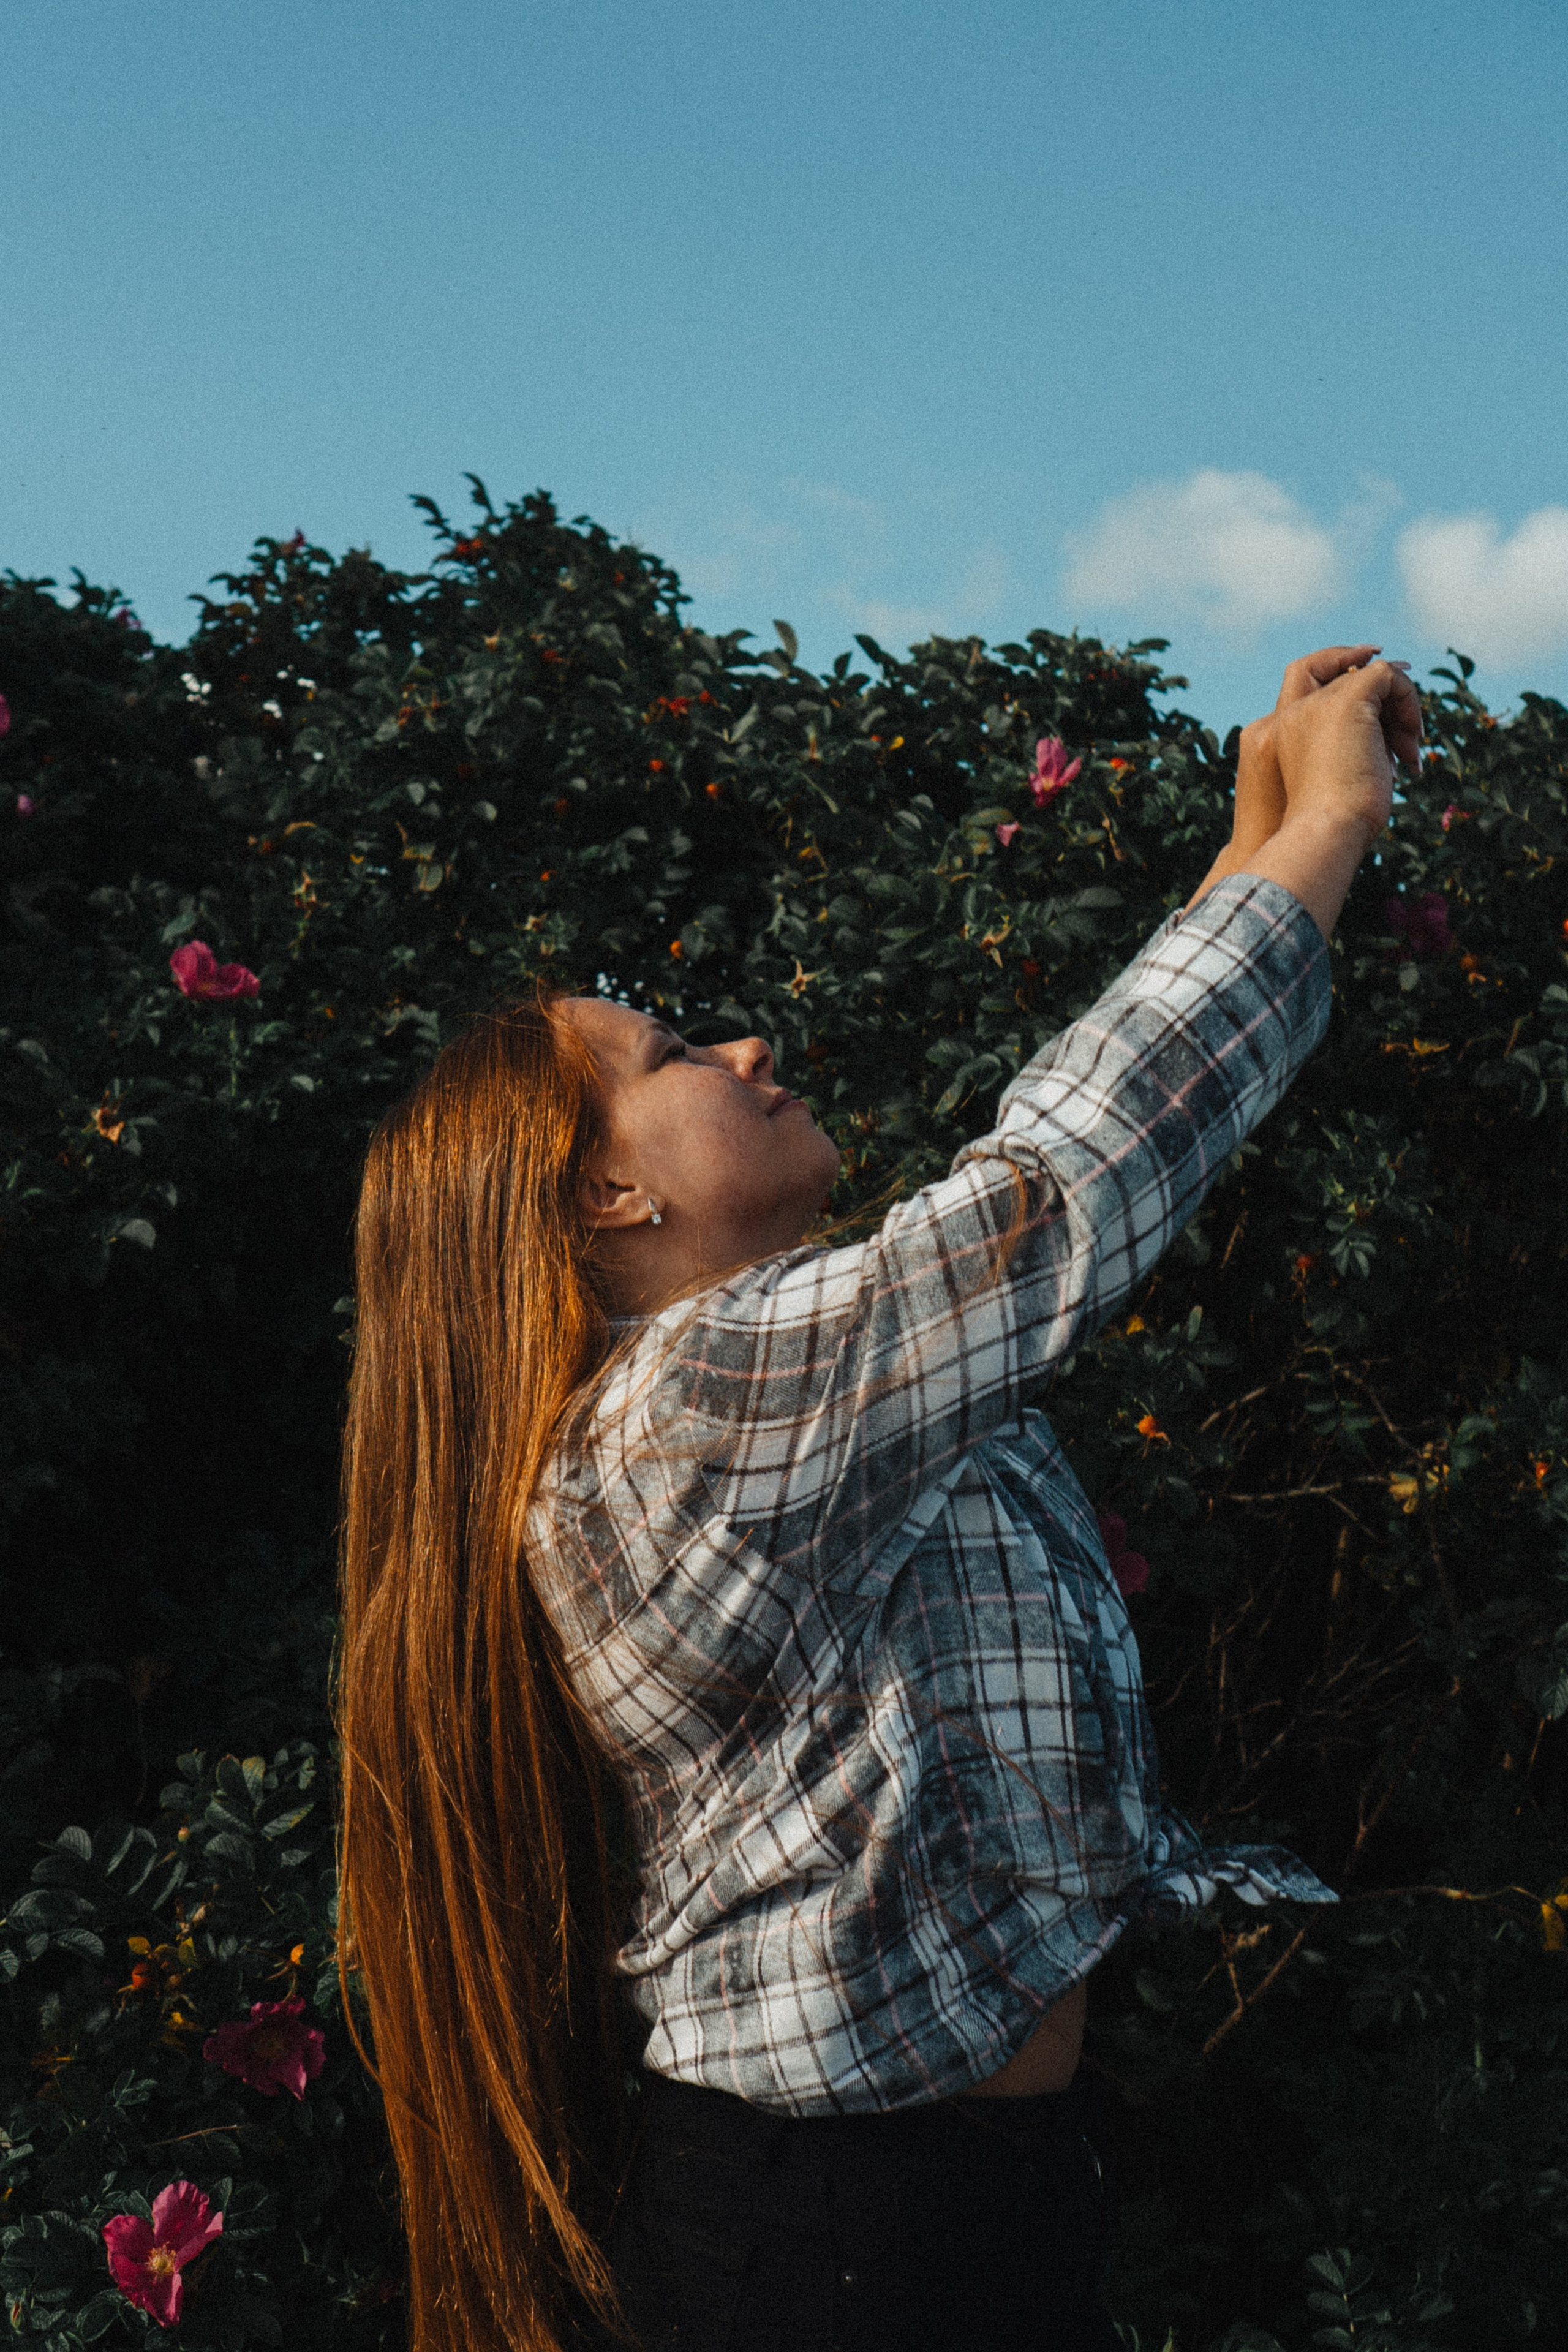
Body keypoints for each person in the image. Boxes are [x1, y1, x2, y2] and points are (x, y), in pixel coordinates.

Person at [336, 648, 1423, 2352]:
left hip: (945, 2196)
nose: (749, 1044)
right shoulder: (686, 1415)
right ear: (606, 1190)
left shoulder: (791, 1397)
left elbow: (1071, 1169)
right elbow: (1068, 1186)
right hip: (842, 2233)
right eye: (678, 1048)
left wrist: (1263, 832)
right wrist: (1338, 821)